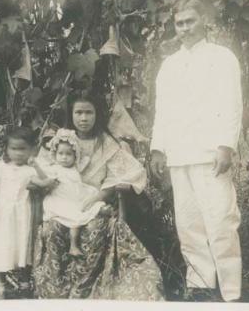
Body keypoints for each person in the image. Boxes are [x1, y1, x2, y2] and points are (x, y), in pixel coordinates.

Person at [149, 0, 243, 302]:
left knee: (221, 221)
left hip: (210, 154)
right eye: (180, 23)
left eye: (190, 21)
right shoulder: (169, 65)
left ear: (203, 21)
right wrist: (158, 149)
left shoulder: (223, 57)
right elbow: (161, 110)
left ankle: (231, 292)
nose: (185, 28)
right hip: (179, 154)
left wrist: (226, 145)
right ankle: (200, 286)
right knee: (188, 225)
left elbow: (232, 104)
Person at [32, 92, 164, 300]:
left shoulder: (106, 143)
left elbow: (128, 173)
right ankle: (56, 291)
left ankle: (83, 290)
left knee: (95, 228)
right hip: (61, 200)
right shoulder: (62, 139)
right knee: (52, 229)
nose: (83, 118)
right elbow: (43, 168)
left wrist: (96, 198)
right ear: (72, 114)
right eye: (79, 112)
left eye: (89, 113)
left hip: (94, 201)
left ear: (97, 115)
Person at [0, 127, 55, 299]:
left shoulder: (31, 170)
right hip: (3, 214)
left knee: (22, 246)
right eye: (13, 148)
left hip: (23, 214)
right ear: (7, 149)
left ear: (32, 150)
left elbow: (47, 183)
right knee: (1, 246)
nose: (18, 153)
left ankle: (24, 283)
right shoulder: (0, 168)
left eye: (23, 149)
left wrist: (37, 165)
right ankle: (1, 285)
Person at [30, 128, 106, 257]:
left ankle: (102, 210)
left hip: (76, 197)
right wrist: (36, 166)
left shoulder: (75, 168)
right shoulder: (55, 169)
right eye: (61, 153)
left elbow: (86, 160)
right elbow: (43, 178)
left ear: (75, 156)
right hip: (60, 199)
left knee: (91, 202)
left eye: (68, 154)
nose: (64, 157)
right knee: (75, 219)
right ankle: (73, 246)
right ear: (55, 154)